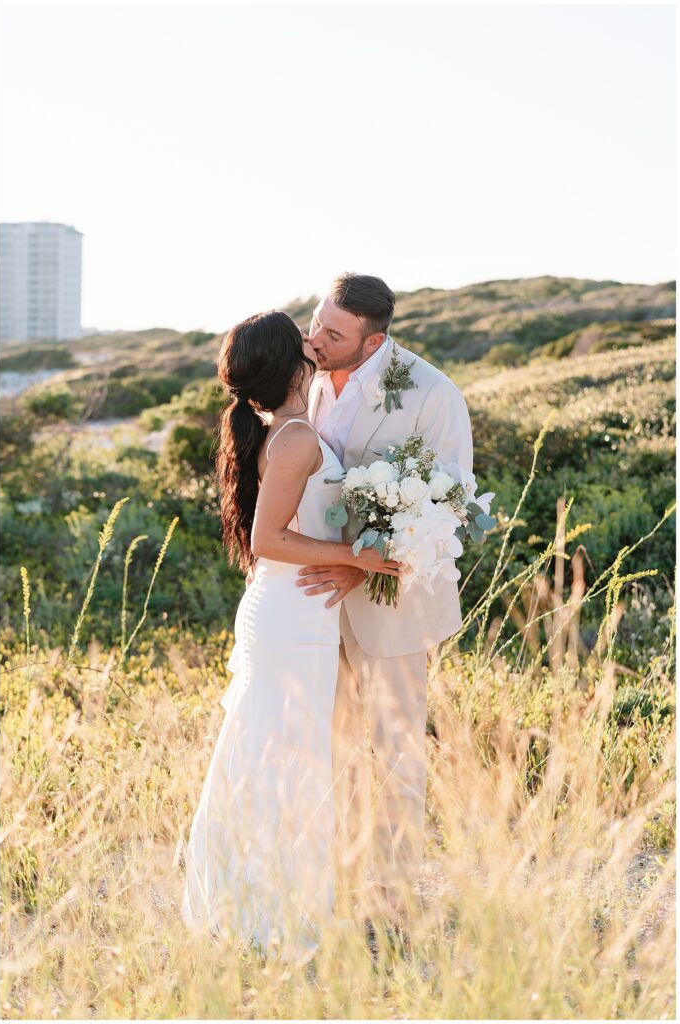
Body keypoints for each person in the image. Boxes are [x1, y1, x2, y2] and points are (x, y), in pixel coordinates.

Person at [180, 310, 399, 960]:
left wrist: (355, 566)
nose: (313, 338)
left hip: (299, 608)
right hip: (287, 615)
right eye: (302, 335)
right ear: (292, 361)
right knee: (281, 755)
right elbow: (266, 539)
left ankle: (279, 900)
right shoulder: (297, 437)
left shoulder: (299, 431)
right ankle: (263, 910)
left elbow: (298, 530)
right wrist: (358, 558)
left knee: (291, 754)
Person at [298, 272, 474, 925]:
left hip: (392, 604)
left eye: (332, 333)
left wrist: (366, 567)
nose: (315, 339)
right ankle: (343, 876)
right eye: (315, 321)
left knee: (395, 745)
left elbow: (448, 505)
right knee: (332, 741)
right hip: (315, 598)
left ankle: (395, 898)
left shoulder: (431, 394)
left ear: (374, 341)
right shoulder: (311, 376)